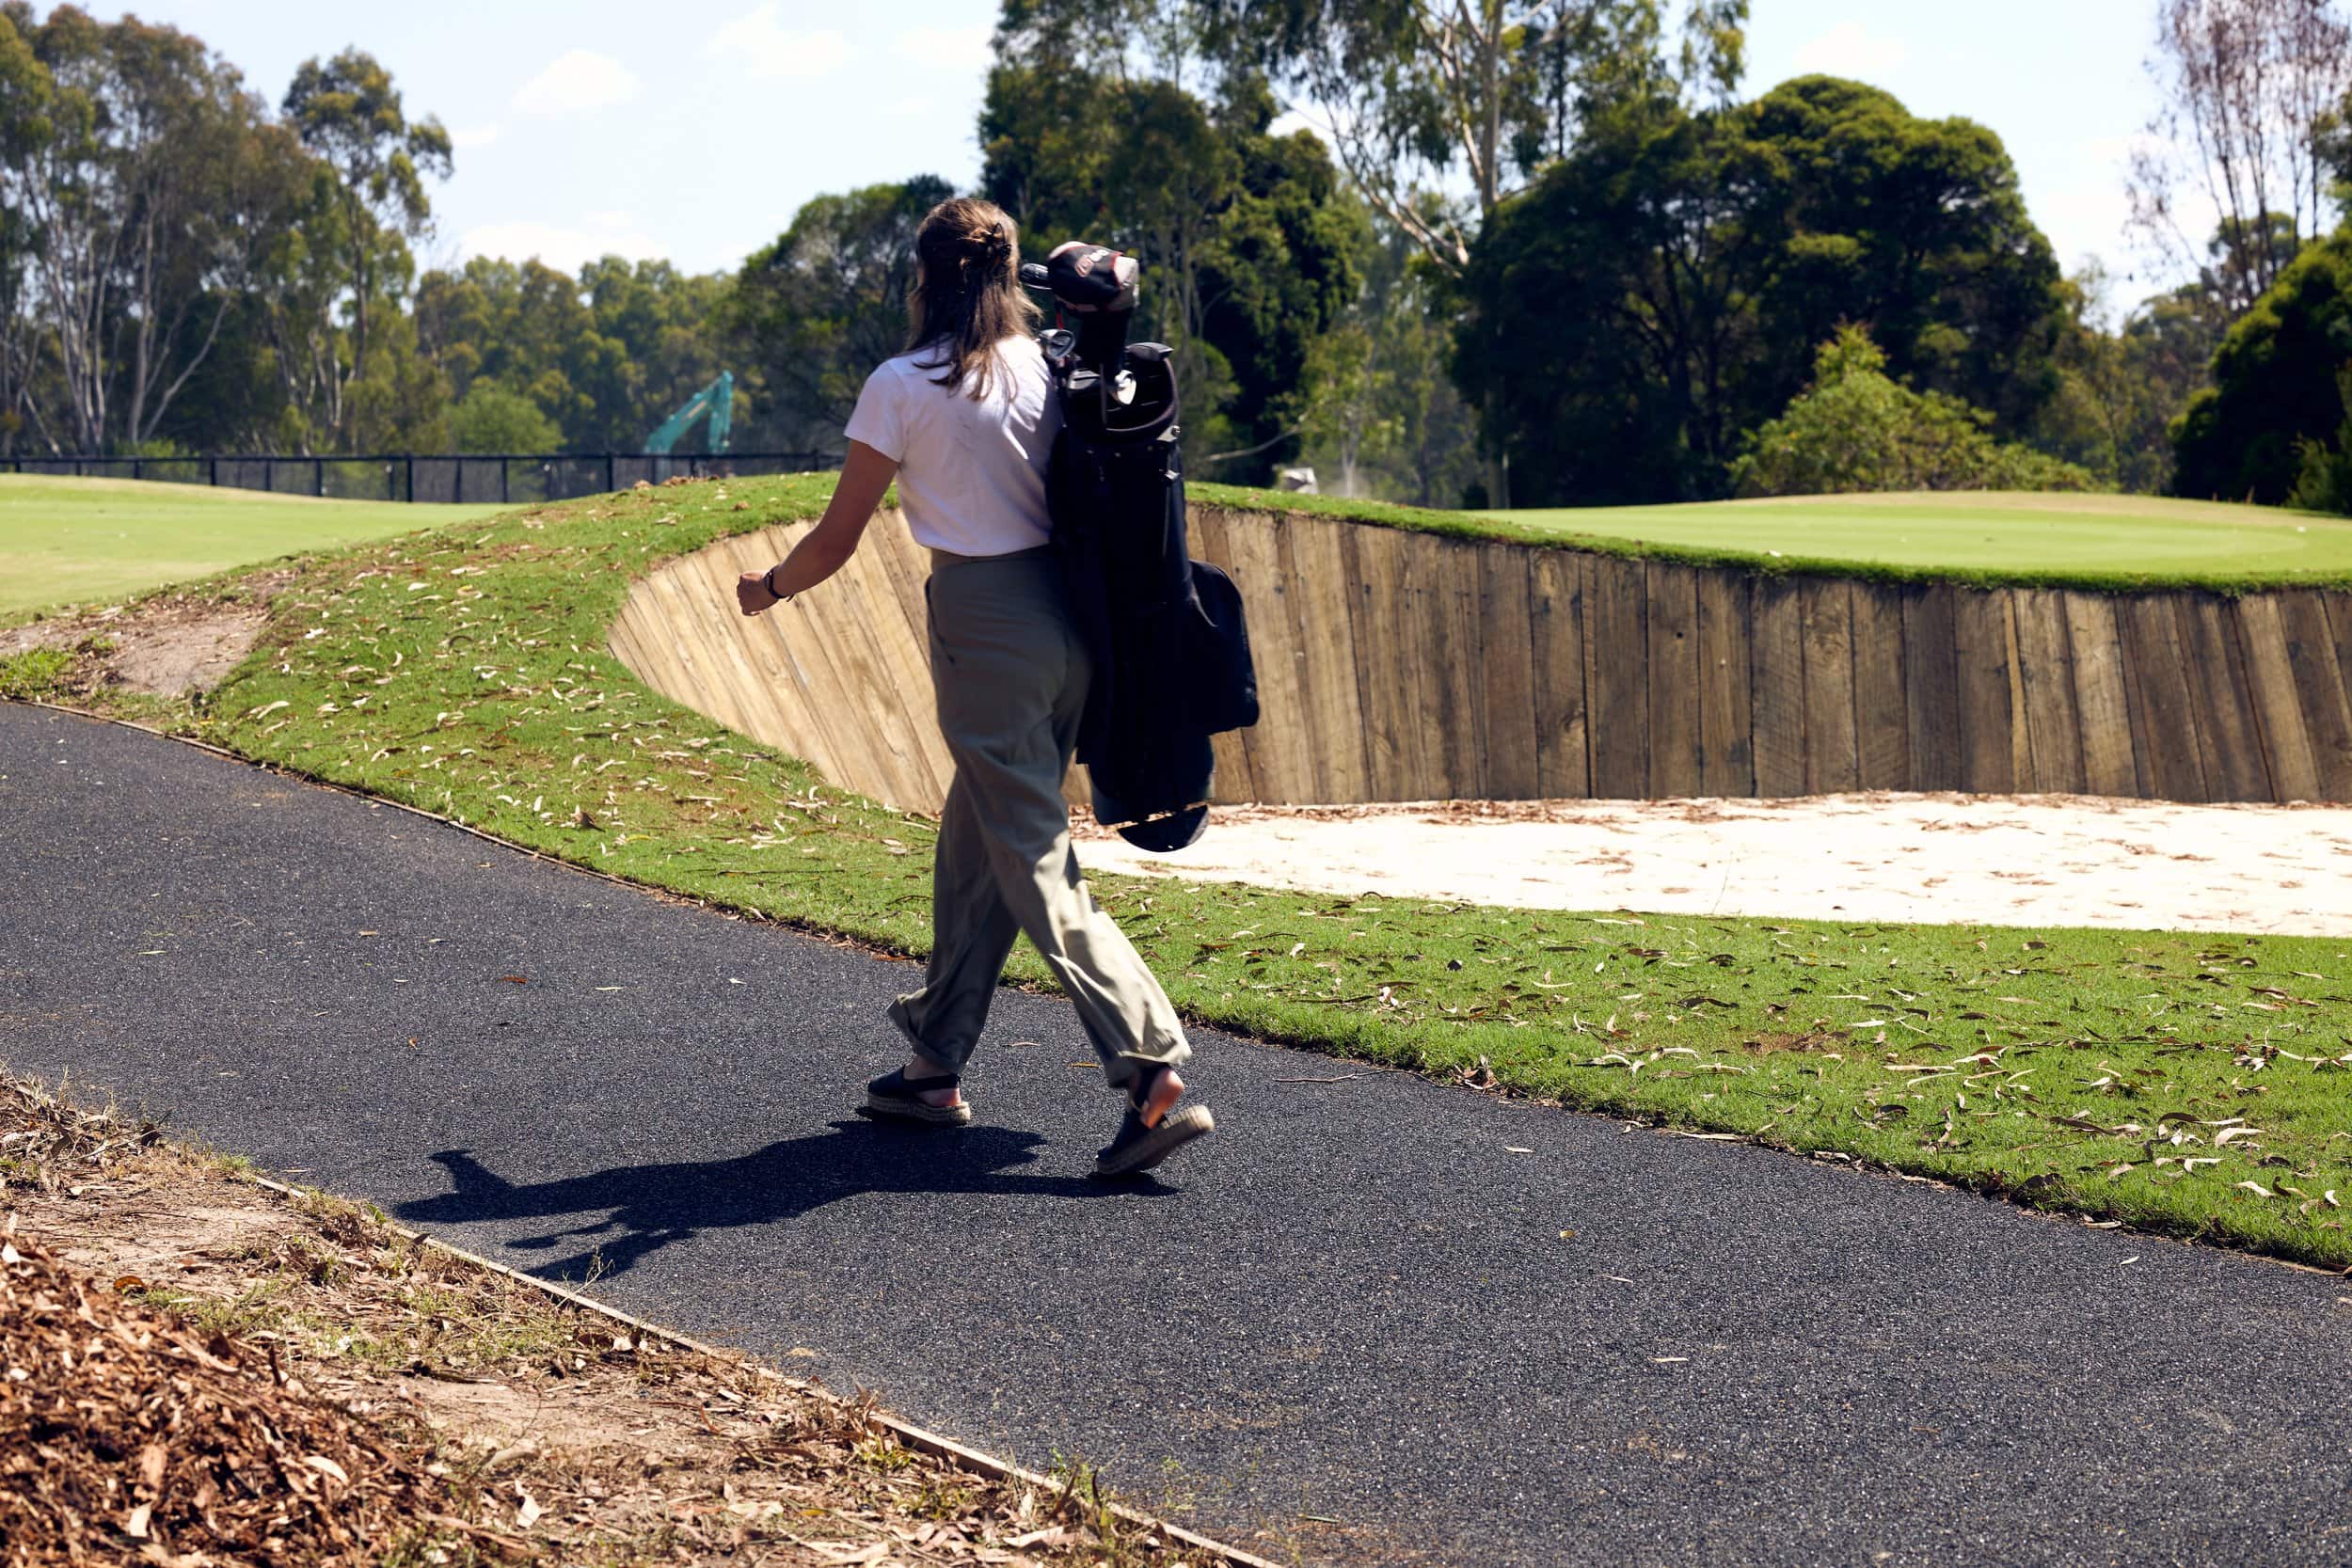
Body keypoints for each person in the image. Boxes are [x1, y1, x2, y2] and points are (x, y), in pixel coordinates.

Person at [734, 198, 1213, 1179]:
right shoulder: (1050, 366)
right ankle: (932, 1063)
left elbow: (837, 536)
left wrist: (770, 586)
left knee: (1032, 854)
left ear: (923, 278)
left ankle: (1153, 1067)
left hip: (985, 623)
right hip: (1071, 622)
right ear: (1009, 277)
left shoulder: (902, 385)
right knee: (977, 835)